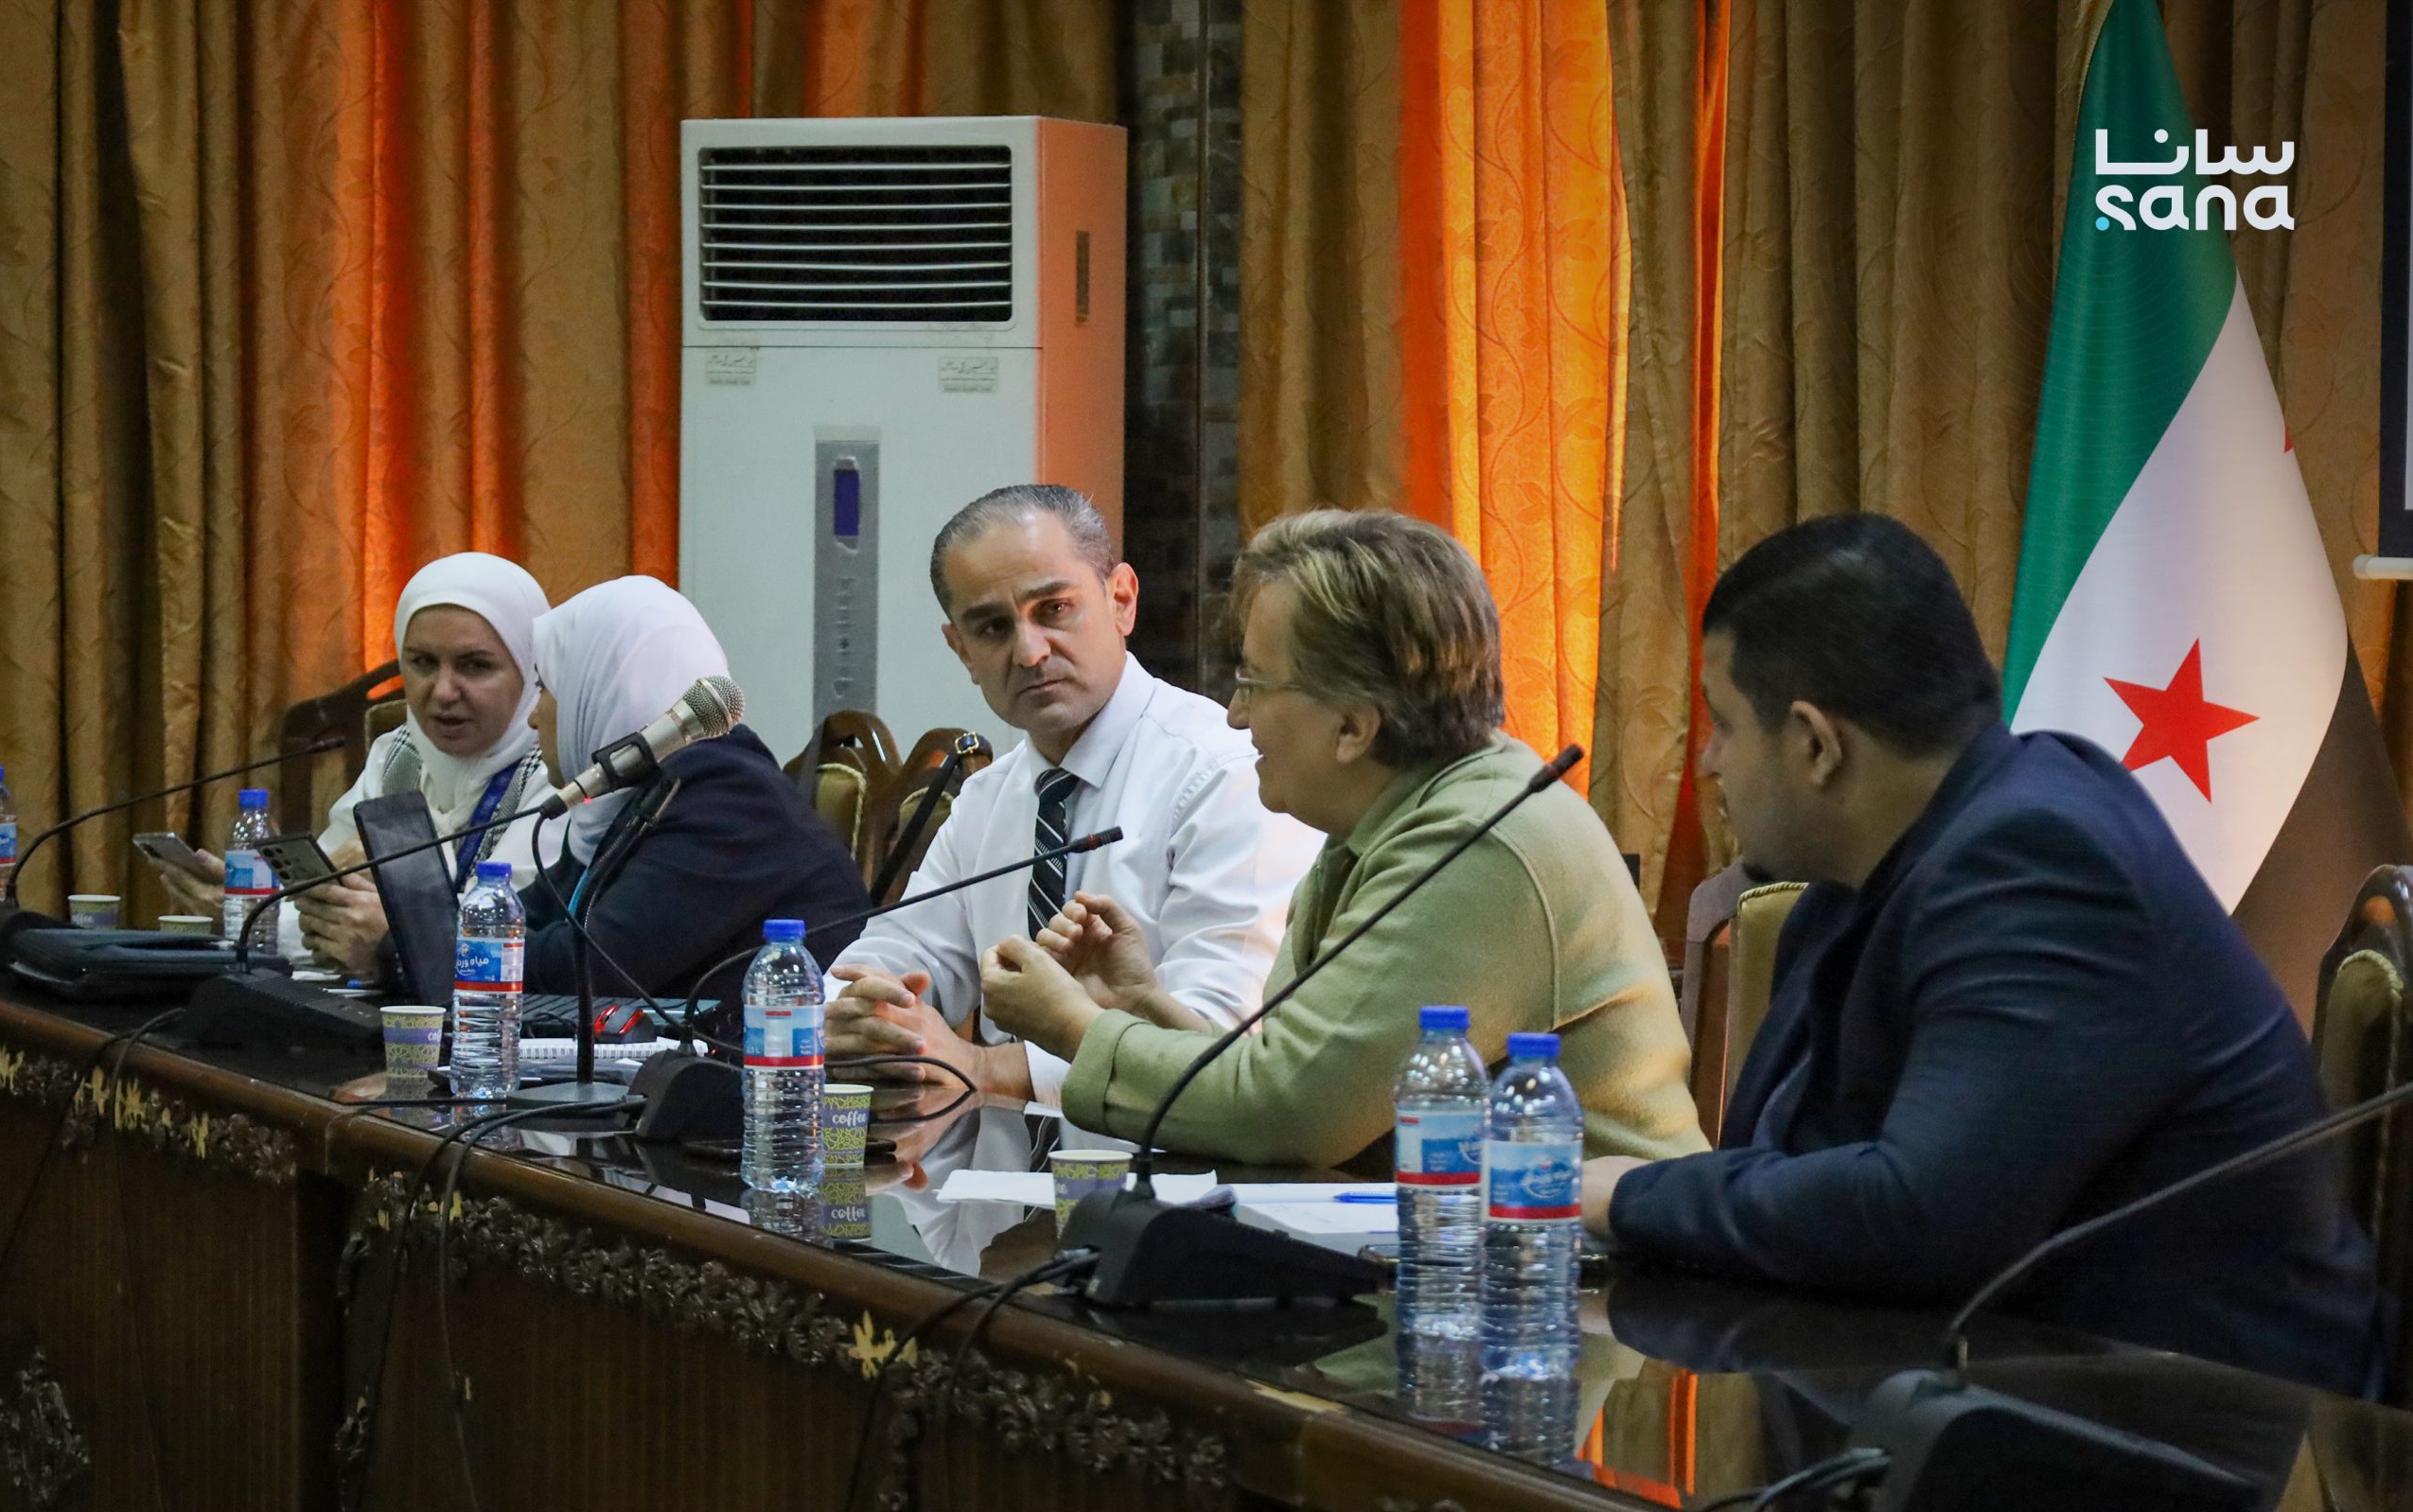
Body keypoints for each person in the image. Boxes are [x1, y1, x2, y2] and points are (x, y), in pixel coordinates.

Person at [1585, 512, 2380, 1394]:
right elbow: (1791, 1172)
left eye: (1724, 723)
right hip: (1979, 1387)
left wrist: (1623, 1196)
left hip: (2213, 1424)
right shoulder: (1869, 872)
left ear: (1815, 743)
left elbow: (1918, 1218)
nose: (1707, 761)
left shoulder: (2039, 860)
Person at [977, 508, 1703, 1169]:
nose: (1235, 715)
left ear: (1353, 726)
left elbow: (1288, 1115)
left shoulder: (1482, 842)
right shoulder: (1382, 819)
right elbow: (1287, 1075)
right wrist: (1141, 1002)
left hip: (1589, 1261)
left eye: (1254, 683)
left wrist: (1071, 1026)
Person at [825, 483, 1321, 1108]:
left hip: (1166, 1162)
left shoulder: (1230, 775)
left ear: (1121, 601)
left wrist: (983, 1065)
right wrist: (856, 1015)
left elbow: (1221, 1036)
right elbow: (897, 955)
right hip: (992, 1165)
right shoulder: (988, 797)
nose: (1029, 652)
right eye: (992, 627)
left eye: (1054, 609)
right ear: (962, 650)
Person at [153, 553, 560, 976]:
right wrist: (252, 908)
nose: (442, 691)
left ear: (530, 668)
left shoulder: (555, 771)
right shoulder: (400, 754)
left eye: (475, 666)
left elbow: (494, 938)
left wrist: (271, 924)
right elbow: (326, 901)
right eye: (421, 662)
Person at [521, 575, 868, 995]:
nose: (533, 718)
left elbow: (585, 969)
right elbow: (530, 917)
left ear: (599, 687)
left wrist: (467, 950)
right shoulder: (639, 794)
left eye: (543, 687)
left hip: (788, 1037)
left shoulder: (730, 803)